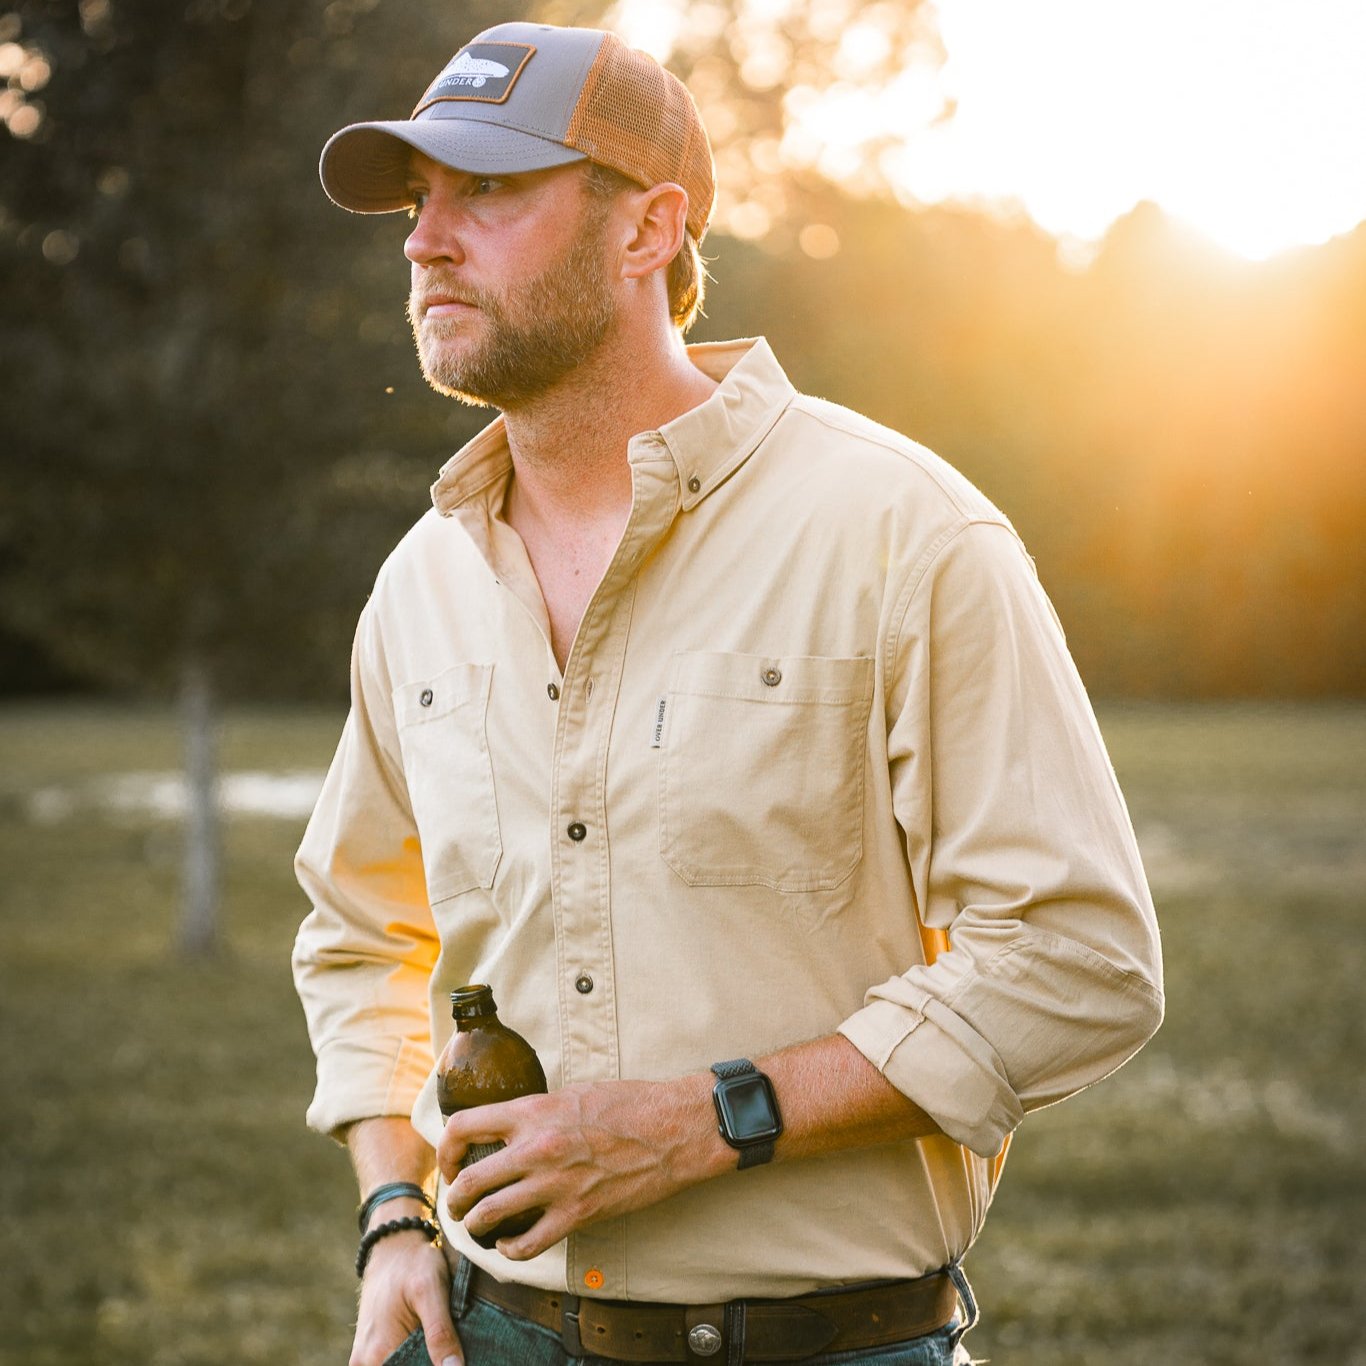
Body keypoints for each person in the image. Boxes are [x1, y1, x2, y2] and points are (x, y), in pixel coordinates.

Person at [293, 20, 1164, 1366]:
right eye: (418, 203)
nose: (424, 241)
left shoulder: (902, 532)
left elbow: (1077, 959)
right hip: (485, 1333)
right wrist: (395, 1212)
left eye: (489, 192)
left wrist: (706, 1119)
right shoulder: (419, 583)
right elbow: (360, 929)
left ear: (648, 232)